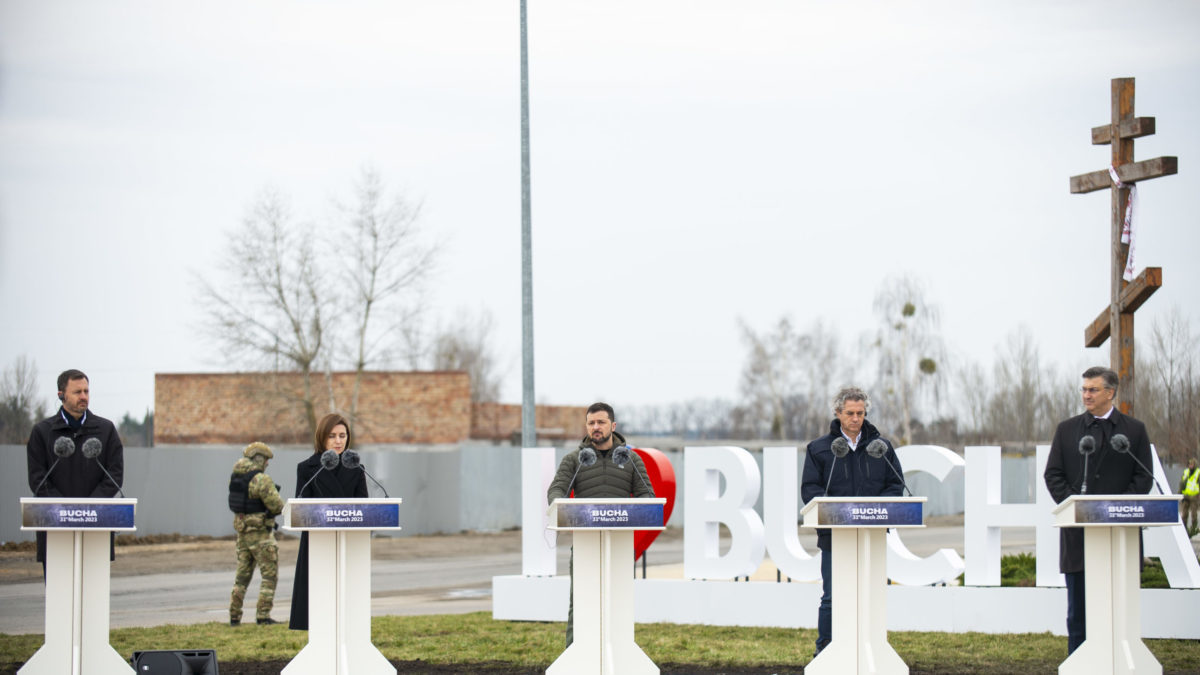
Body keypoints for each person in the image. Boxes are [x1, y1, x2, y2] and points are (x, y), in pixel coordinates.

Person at [1044, 366, 1154, 655]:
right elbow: (1053, 475)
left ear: (1110, 392)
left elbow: (1143, 478)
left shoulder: (1134, 430)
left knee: (1119, 613)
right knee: (1078, 614)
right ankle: (1078, 663)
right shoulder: (1067, 430)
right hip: (1079, 538)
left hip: (1121, 539)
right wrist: (1079, 507)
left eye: (1093, 390)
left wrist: (1115, 509)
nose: (1086, 395)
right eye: (1083, 389)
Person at [800, 386, 904, 657]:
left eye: (860, 413)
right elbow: (810, 490)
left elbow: (895, 485)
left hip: (872, 536)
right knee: (832, 598)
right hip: (835, 537)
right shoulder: (820, 449)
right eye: (850, 413)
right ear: (838, 413)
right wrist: (838, 511)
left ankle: (870, 652)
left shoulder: (881, 448)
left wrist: (876, 508)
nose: (856, 418)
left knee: (870, 596)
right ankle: (825, 652)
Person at [546, 402, 654, 647]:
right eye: (591, 423)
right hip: (585, 546)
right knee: (580, 603)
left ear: (613, 426)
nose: (596, 427)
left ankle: (618, 655)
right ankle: (574, 658)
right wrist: (563, 509)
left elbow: (647, 497)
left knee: (620, 603)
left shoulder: (631, 460)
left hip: (620, 546)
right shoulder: (574, 460)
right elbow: (556, 490)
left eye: (601, 422)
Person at [26, 369, 125, 572]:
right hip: (55, 530)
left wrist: (88, 509)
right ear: (61, 395)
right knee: (59, 596)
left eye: (86, 391)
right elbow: (37, 478)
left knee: (93, 596)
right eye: (77, 392)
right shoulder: (42, 432)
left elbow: (114, 475)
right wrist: (65, 511)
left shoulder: (105, 430)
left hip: (96, 527)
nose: (83, 397)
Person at [288, 413, 367, 630]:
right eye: (332, 436)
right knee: (318, 599)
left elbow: (364, 507)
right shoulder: (307, 468)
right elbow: (301, 507)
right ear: (322, 438)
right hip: (317, 544)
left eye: (342, 435)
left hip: (348, 543)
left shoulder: (356, 468)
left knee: (345, 604)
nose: (338, 441)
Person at [228, 441, 284, 626]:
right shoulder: (261, 479)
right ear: (259, 459)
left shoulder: (236, 477)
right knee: (269, 576)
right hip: (260, 535)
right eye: (266, 459)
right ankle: (263, 616)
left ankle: (234, 617)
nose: (267, 463)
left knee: (241, 578)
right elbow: (277, 506)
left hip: (242, 534)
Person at [1180, 457, 1199, 536]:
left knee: (1194, 514)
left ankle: (1194, 529)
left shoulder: (1198, 473)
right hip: (1186, 496)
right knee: (1184, 514)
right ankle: (1184, 529)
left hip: (1194, 496)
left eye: (1192, 464)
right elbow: (1181, 484)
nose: (1190, 466)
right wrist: (1180, 493)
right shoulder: (1186, 472)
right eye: (1189, 464)